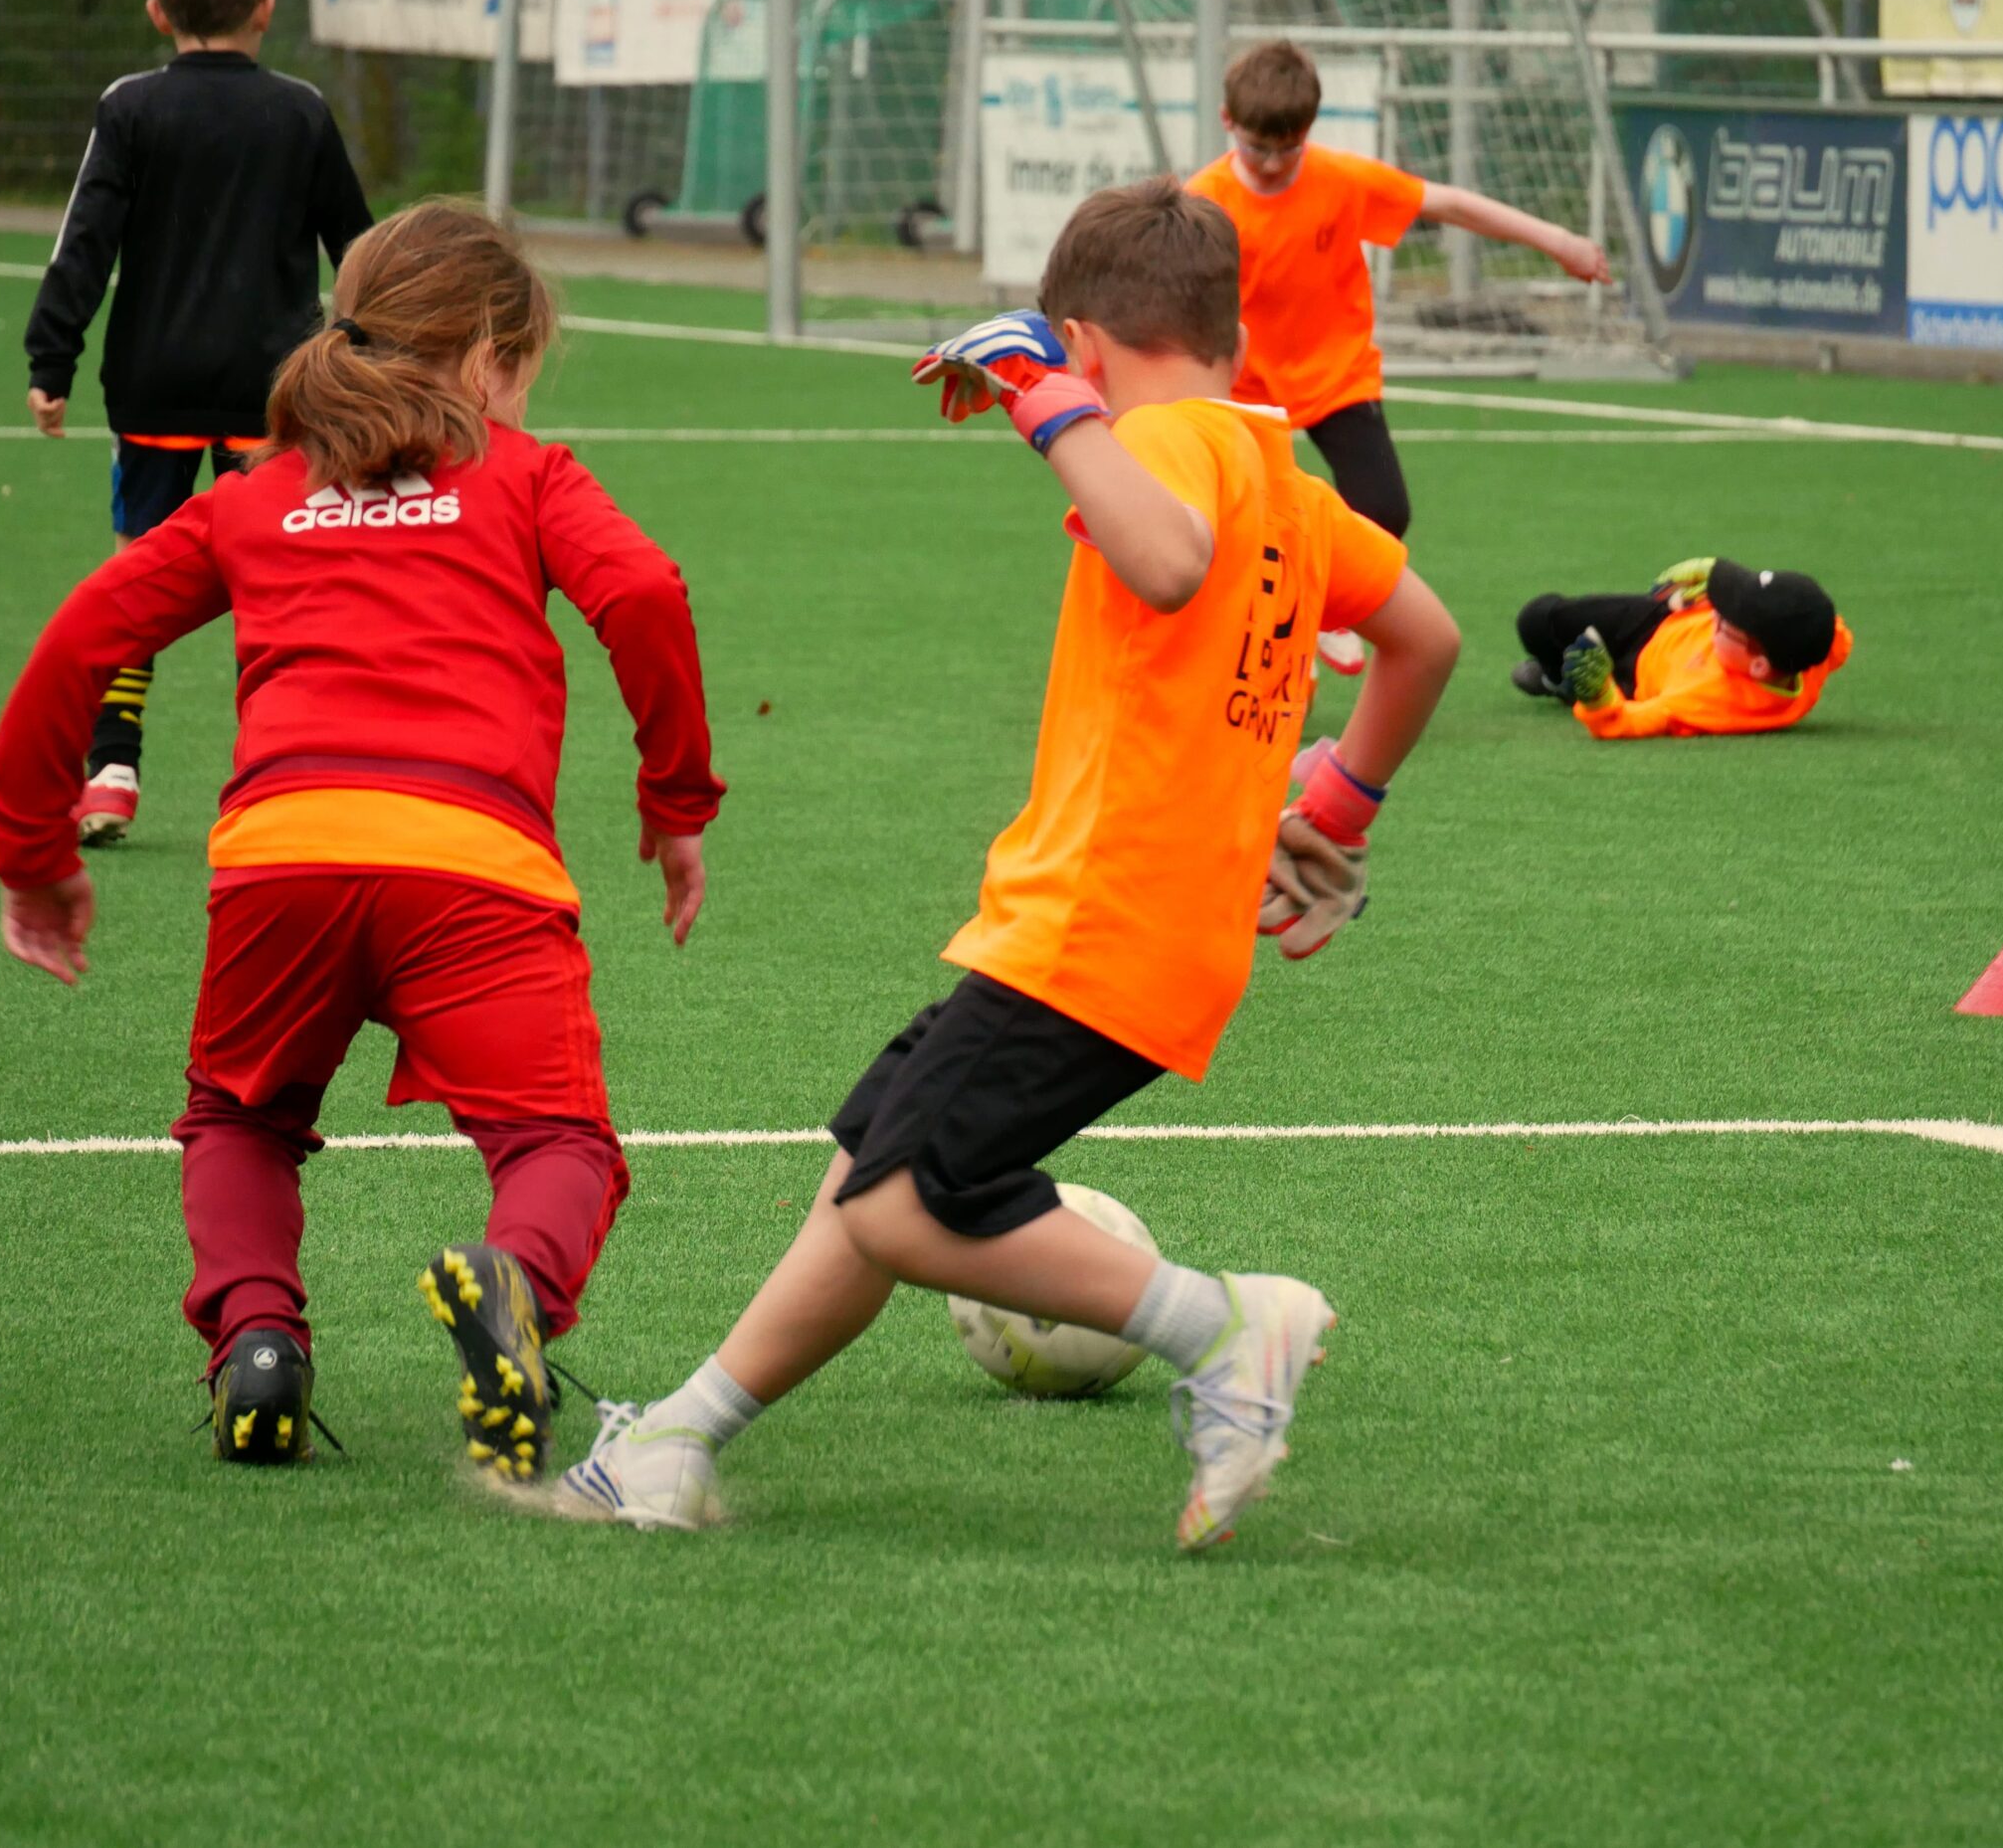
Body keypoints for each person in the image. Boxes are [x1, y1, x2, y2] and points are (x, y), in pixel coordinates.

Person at [556, 178, 1461, 1552]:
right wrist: (1338, 805)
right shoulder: (1286, 480)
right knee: (866, 1176)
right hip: (1138, 928)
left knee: (902, 1199)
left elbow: (1166, 559)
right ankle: (677, 1439)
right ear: (1232, 334)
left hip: (1096, 917)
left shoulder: (1163, 440)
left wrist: (1048, 402)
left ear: (1084, 341)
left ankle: (1222, 1325)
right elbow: (1426, 639)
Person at [0, 201, 724, 1479]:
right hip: (474, 868)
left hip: (283, 861)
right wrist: (674, 801)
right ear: (489, 361)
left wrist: (31, 855)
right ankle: (513, 1286)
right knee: (555, 1143)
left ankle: (259, 1340)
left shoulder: (257, 496)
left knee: (240, 1119)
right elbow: (646, 592)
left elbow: (80, 639)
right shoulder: (527, 474)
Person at [23, 0, 375, 845]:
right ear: (265, 10)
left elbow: (85, 242)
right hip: (275, 398)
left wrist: (51, 359)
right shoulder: (301, 112)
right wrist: (375, 355)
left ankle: (110, 772)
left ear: (157, 14)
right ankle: (284, 771)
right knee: (284, 580)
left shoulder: (130, 107)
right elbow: (360, 250)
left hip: (156, 390)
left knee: (138, 572)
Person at [1187, 39, 1609, 678]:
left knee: (1385, 511)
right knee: (1243, 525)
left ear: (1309, 131)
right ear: (1227, 122)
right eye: (1256, 147)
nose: (1272, 163)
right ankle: (1275, 635)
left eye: (1288, 148)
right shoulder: (1206, 202)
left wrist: (1559, 241)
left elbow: (1451, 204)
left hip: (1337, 376)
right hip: (1246, 388)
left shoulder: (1342, 180)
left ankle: (1323, 609)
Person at [1512, 557, 1852, 738]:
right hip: (1660, 622)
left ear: (1759, 666)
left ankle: (1562, 683)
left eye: (1725, 618)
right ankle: (1560, 673)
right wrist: (1717, 577)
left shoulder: (1707, 700)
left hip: (1636, 678)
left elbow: (1627, 723)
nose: (1716, 610)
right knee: (1538, 617)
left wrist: (1600, 698)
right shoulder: (1816, 642)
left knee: (1541, 629)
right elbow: (1831, 624)